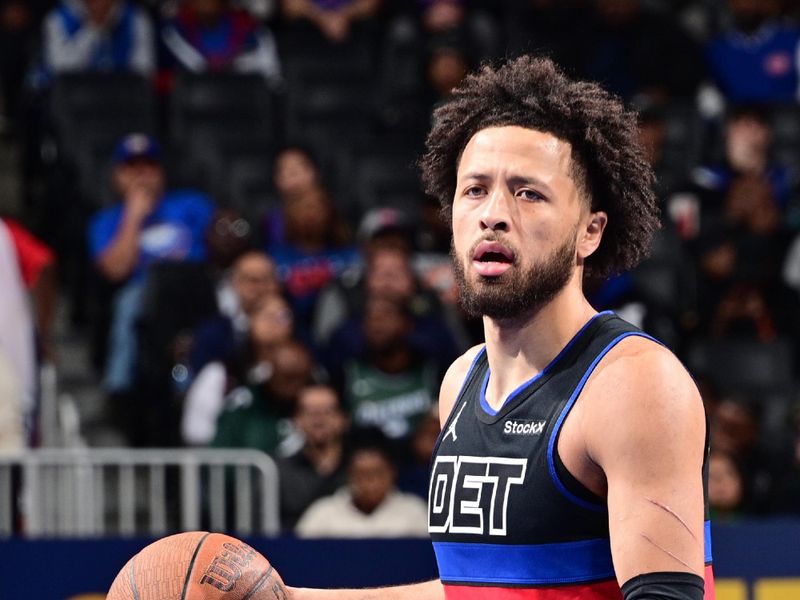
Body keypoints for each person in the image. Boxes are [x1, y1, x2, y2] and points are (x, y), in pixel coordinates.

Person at [285, 55, 714, 600]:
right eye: (475, 190)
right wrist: (292, 598)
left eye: (528, 192)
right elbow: (472, 591)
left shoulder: (634, 384)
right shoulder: (461, 381)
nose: (493, 213)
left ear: (590, 231)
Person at [88, 133, 215, 398]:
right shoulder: (105, 222)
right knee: (130, 301)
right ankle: (120, 386)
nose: (142, 174)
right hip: (145, 298)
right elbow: (115, 270)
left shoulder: (193, 204)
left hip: (195, 289)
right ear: (116, 176)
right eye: (132, 167)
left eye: (149, 165)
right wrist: (133, 216)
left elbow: (220, 251)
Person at [295, 433, 429, 538]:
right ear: (349, 474)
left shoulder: (415, 513)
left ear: (392, 472)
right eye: (362, 475)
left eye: (378, 473)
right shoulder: (322, 513)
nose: (371, 483)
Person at [277, 383, 349, 530]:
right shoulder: (278, 472)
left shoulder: (359, 468)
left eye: (327, 411)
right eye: (310, 412)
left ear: (343, 418)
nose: (319, 420)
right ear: (296, 419)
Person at [42, 0, 155, 76]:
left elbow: (143, 72)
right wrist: (92, 29)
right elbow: (60, 71)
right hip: (75, 103)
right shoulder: (59, 19)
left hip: (122, 102)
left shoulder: (135, 19)